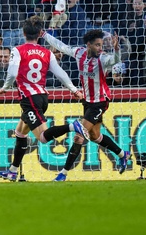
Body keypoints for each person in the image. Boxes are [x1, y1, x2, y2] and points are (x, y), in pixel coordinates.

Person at [0, 16, 88, 182]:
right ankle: (12, 171)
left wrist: (5, 87)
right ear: (39, 34)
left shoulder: (18, 50)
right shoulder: (47, 53)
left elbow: (13, 72)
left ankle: (73, 126)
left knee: (43, 137)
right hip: (42, 97)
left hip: (29, 99)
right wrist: (74, 90)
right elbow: (60, 73)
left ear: (24, 33)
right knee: (20, 133)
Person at [43, 29, 130, 181]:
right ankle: (123, 154)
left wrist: (117, 50)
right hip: (87, 101)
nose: (100, 48)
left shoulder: (103, 59)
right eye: (97, 45)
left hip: (100, 102)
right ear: (88, 45)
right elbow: (62, 46)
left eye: (101, 45)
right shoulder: (79, 53)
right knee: (95, 136)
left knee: (79, 136)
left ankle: (63, 173)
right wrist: (44, 35)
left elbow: (114, 60)